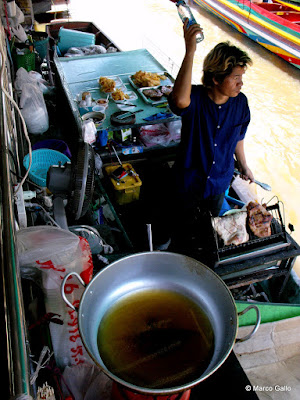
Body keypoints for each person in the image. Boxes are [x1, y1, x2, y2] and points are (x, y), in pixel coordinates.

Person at [167, 20, 255, 256]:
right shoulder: (194, 98)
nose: (240, 83)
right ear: (216, 79)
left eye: (241, 77)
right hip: (188, 181)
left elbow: (238, 137)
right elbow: (178, 102)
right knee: (182, 232)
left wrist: (244, 165)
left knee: (210, 233)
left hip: (219, 181)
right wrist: (190, 50)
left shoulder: (241, 103)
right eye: (235, 77)